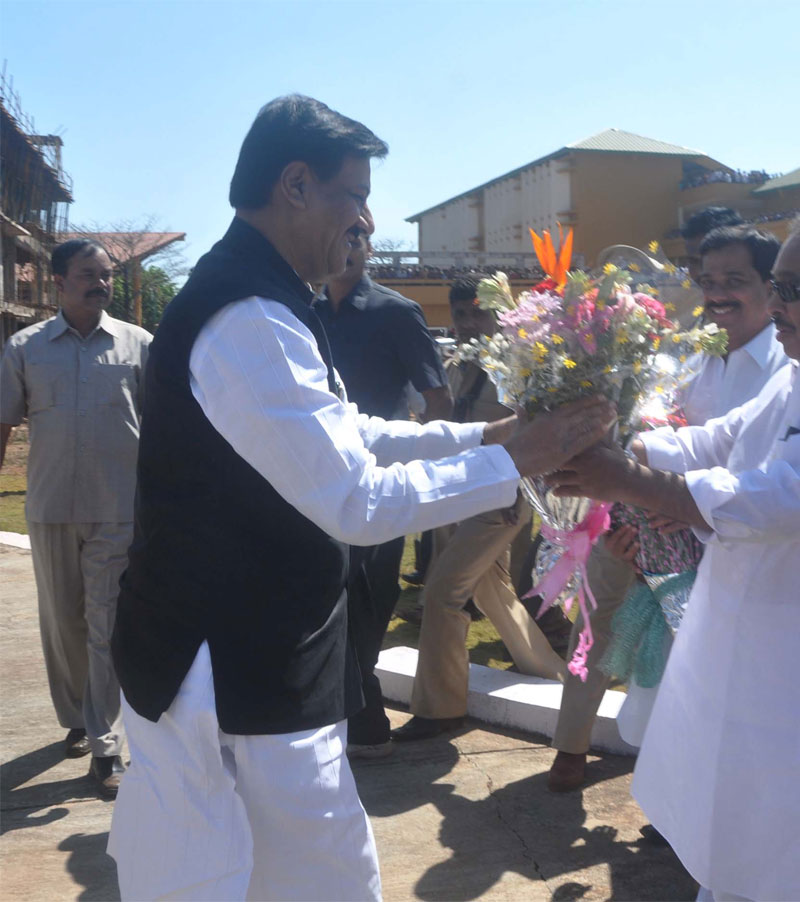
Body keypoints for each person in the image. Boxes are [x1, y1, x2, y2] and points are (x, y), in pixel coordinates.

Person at [105, 94, 615, 901]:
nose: (365, 220)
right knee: (265, 875)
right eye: (354, 194)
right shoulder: (248, 316)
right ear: (296, 185)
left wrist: (487, 439)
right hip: (229, 667)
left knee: (287, 870)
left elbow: (347, 431)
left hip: (255, 654)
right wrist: (515, 459)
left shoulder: (266, 298)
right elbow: (355, 499)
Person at [551, 207, 800, 900]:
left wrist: (625, 479)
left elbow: (775, 503)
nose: (775, 304)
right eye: (777, 287)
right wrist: (610, 441)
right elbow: (714, 442)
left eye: (791, 289)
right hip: (758, 666)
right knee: (739, 847)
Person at [546, 225, 789, 792]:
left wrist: (676, 508)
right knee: (602, 628)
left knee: (704, 676)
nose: (719, 294)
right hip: (643, 530)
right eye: (709, 281)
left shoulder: (786, 369)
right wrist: (618, 515)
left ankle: (686, 794)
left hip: (727, 547)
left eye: (736, 280)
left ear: (771, 287)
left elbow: (761, 471)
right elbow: (649, 433)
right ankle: (575, 750)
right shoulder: (682, 356)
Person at [0, 238, 152, 799]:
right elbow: (3, 424)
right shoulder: (26, 348)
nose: (101, 283)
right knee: (64, 624)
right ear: (58, 282)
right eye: (88, 274)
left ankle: (107, 746)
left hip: (118, 509)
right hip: (50, 507)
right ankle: (78, 716)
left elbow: (162, 431)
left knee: (105, 625)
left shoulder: (139, 346)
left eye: (106, 274)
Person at [395, 277, 570, 740]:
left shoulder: (520, 364)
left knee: (444, 592)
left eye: (479, 313)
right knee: (492, 588)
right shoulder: (456, 362)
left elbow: (536, 436)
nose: (470, 323)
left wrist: (519, 490)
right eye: (462, 315)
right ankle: (549, 672)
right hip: (456, 491)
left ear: (499, 314)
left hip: (502, 495)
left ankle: (440, 710)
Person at [314, 216, 451, 759]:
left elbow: (436, 398)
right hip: (315, 476)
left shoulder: (397, 312)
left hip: (380, 476)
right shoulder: (307, 311)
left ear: (369, 248)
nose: (347, 246)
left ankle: (363, 700)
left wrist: (436, 469)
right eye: (340, 234)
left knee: (374, 590)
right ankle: (352, 705)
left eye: (357, 237)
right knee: (329, 588)